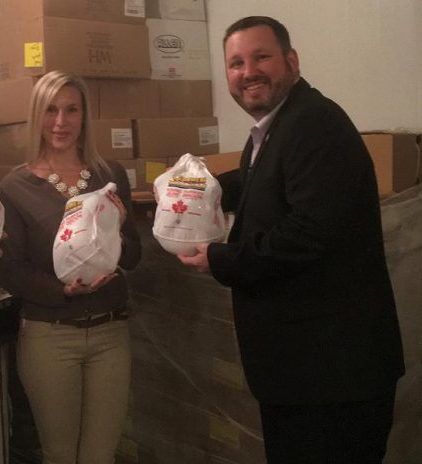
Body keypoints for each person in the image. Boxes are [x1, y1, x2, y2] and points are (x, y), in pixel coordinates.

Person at [178, 16, 405, 463]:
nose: (248, 72)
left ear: (291, 61)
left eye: (261, 57)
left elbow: (308, 234)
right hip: (301, 373)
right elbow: (255, 182)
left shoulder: (315, 124)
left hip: (333, 375)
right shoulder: (276, 128)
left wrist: (220, 259)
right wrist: (186, 189)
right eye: (236, 63)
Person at [0, 70, 141, 464]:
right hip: (49, 337)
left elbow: (133, 256)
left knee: (100, 455)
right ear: (37, 116)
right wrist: (62, 291)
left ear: (84, 116)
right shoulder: (15, 186)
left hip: (111, 333)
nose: (61, 122)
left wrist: (119, 227)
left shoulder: (109, 175)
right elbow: (10, 271)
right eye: (50, 110)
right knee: (60, 455)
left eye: (71, 110)